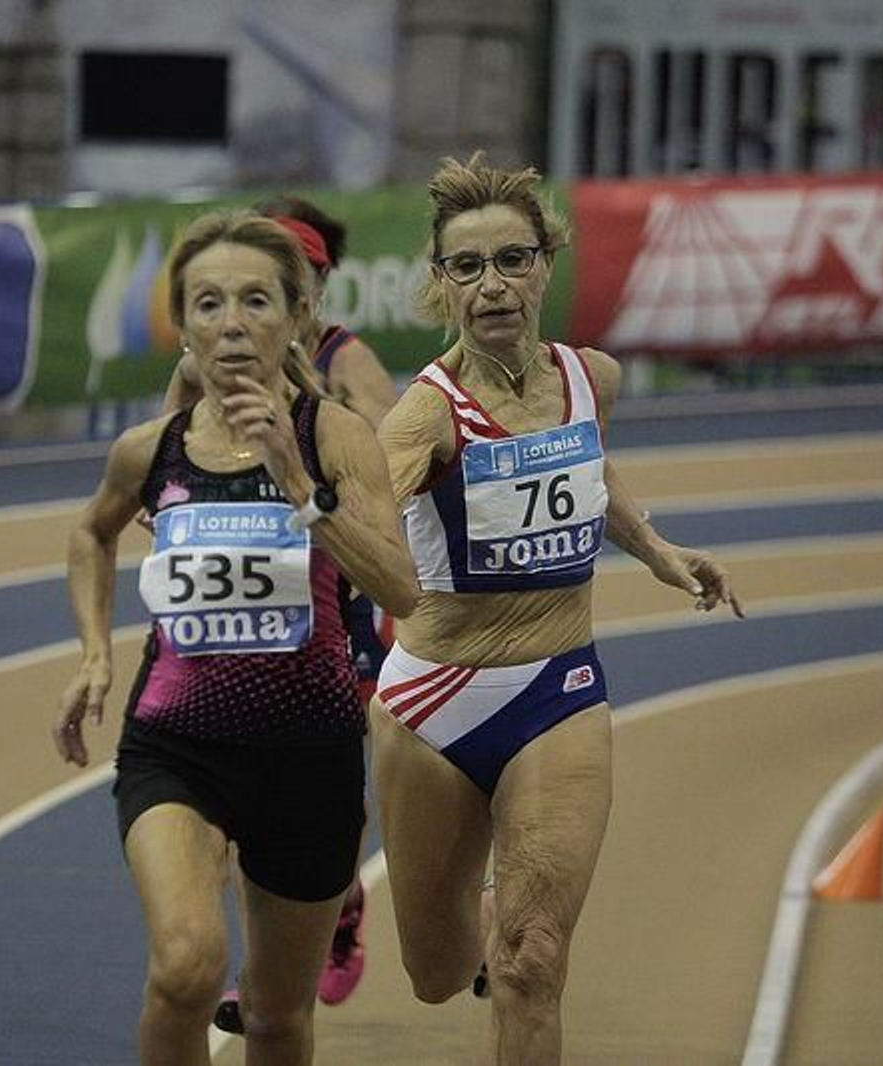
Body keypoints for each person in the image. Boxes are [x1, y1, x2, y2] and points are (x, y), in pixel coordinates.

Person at [371, 153, 744, 1063]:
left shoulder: (591, 379)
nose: (493, 285)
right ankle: (485, 911)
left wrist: (656, 549)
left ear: (546, 263)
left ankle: (516, 926)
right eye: (468, 267)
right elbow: (362, 544)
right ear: (441, 283)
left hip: (558, 688)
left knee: (533, 962)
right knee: (437, 970)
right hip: (431, 707)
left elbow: (581, 468)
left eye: (512, 259)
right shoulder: (421, 420)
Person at [53, 209, 418, 1065]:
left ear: (298, 316)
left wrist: (298, 485)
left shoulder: (335, 438)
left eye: (256, 301)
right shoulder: (151, 450)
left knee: (277, 1017)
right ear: (183, 326)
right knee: (186, 966)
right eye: (208, 304)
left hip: (310, 759)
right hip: (176, 748)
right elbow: (90, 534)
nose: (231, 325)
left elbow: (401, 586)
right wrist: (96, 655)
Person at [162, 196, 397, 1020]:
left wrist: (317, 435)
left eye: (285, 283)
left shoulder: (346, 359)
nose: (242, 313)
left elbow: (397, 457)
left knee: (333, 780)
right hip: (234, 616)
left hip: (339, 593)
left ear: (313, 291)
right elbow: (165, 467)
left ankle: (336, 909)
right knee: (223, 804)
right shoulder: (204, 366)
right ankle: (260, 966)